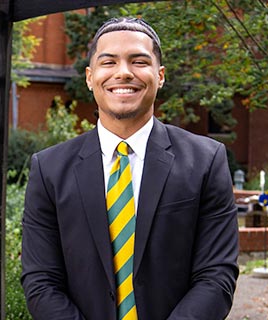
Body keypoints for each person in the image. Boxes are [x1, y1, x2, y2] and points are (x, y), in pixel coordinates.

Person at [21, 17, 239, 320]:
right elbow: (41, 281)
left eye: (138, 61)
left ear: (160, 76)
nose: (123, 73)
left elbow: (217, 275)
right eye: (108, 62)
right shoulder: (49, 169)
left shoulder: (205, 161)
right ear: (90, 76)